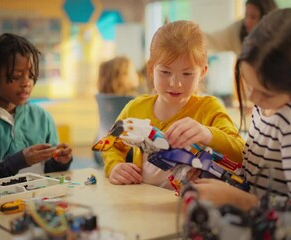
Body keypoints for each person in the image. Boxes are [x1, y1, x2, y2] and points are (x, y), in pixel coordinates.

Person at [194, 8, 291, 210]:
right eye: (249, 84)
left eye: (265, 93)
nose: (253, 98)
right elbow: (254, 173)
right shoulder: (270, 103)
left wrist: (239, 200)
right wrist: (211, 170)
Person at [101, 20, 245, 189]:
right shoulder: (135, 108)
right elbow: (110, 143)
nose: (175, 83)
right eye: (165, 72)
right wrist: (114, 166)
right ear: (151, 68)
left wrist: (207, 134)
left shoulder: (210, 108)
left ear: (202, 72)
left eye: (187, 74)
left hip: (185, 206)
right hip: (140, 204)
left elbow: (241, 152)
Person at [0, 33, 73, 184]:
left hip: (38, 200)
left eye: (31, 76)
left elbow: (50, 172)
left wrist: (60, 161)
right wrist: (18, 161)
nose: (26, 83)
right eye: (17, 76)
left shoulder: (42, 117)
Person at [205, 0, 277, 55]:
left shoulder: (279, 38)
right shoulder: (238, 29)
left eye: (253, 17)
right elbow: (212, 40)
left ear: (266, 19)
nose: (246, 21)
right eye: (246, 15)